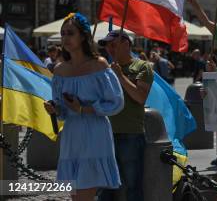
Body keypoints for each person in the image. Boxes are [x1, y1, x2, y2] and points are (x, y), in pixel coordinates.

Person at [43, 13, 124, 201]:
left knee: (84, 196)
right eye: (63, 34)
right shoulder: (60, 69)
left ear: (83, 36)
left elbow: (116, 102)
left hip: (94, 133)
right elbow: (62, 110)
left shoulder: (99, 65)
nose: (65, 38)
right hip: (72, 134)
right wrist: (55, 108)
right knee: (76, 196)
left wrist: (84, 109)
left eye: (70, 33)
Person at [97, 29, 154, 201]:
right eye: (107, 46)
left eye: (113, 45)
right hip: (106, 134)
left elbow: (140, 97)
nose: (110, 49)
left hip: (130, 134)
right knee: (105, 186)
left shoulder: (142, 67)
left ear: (126, 44)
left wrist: (120, 76)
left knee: (132, 186)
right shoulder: (104, 69)